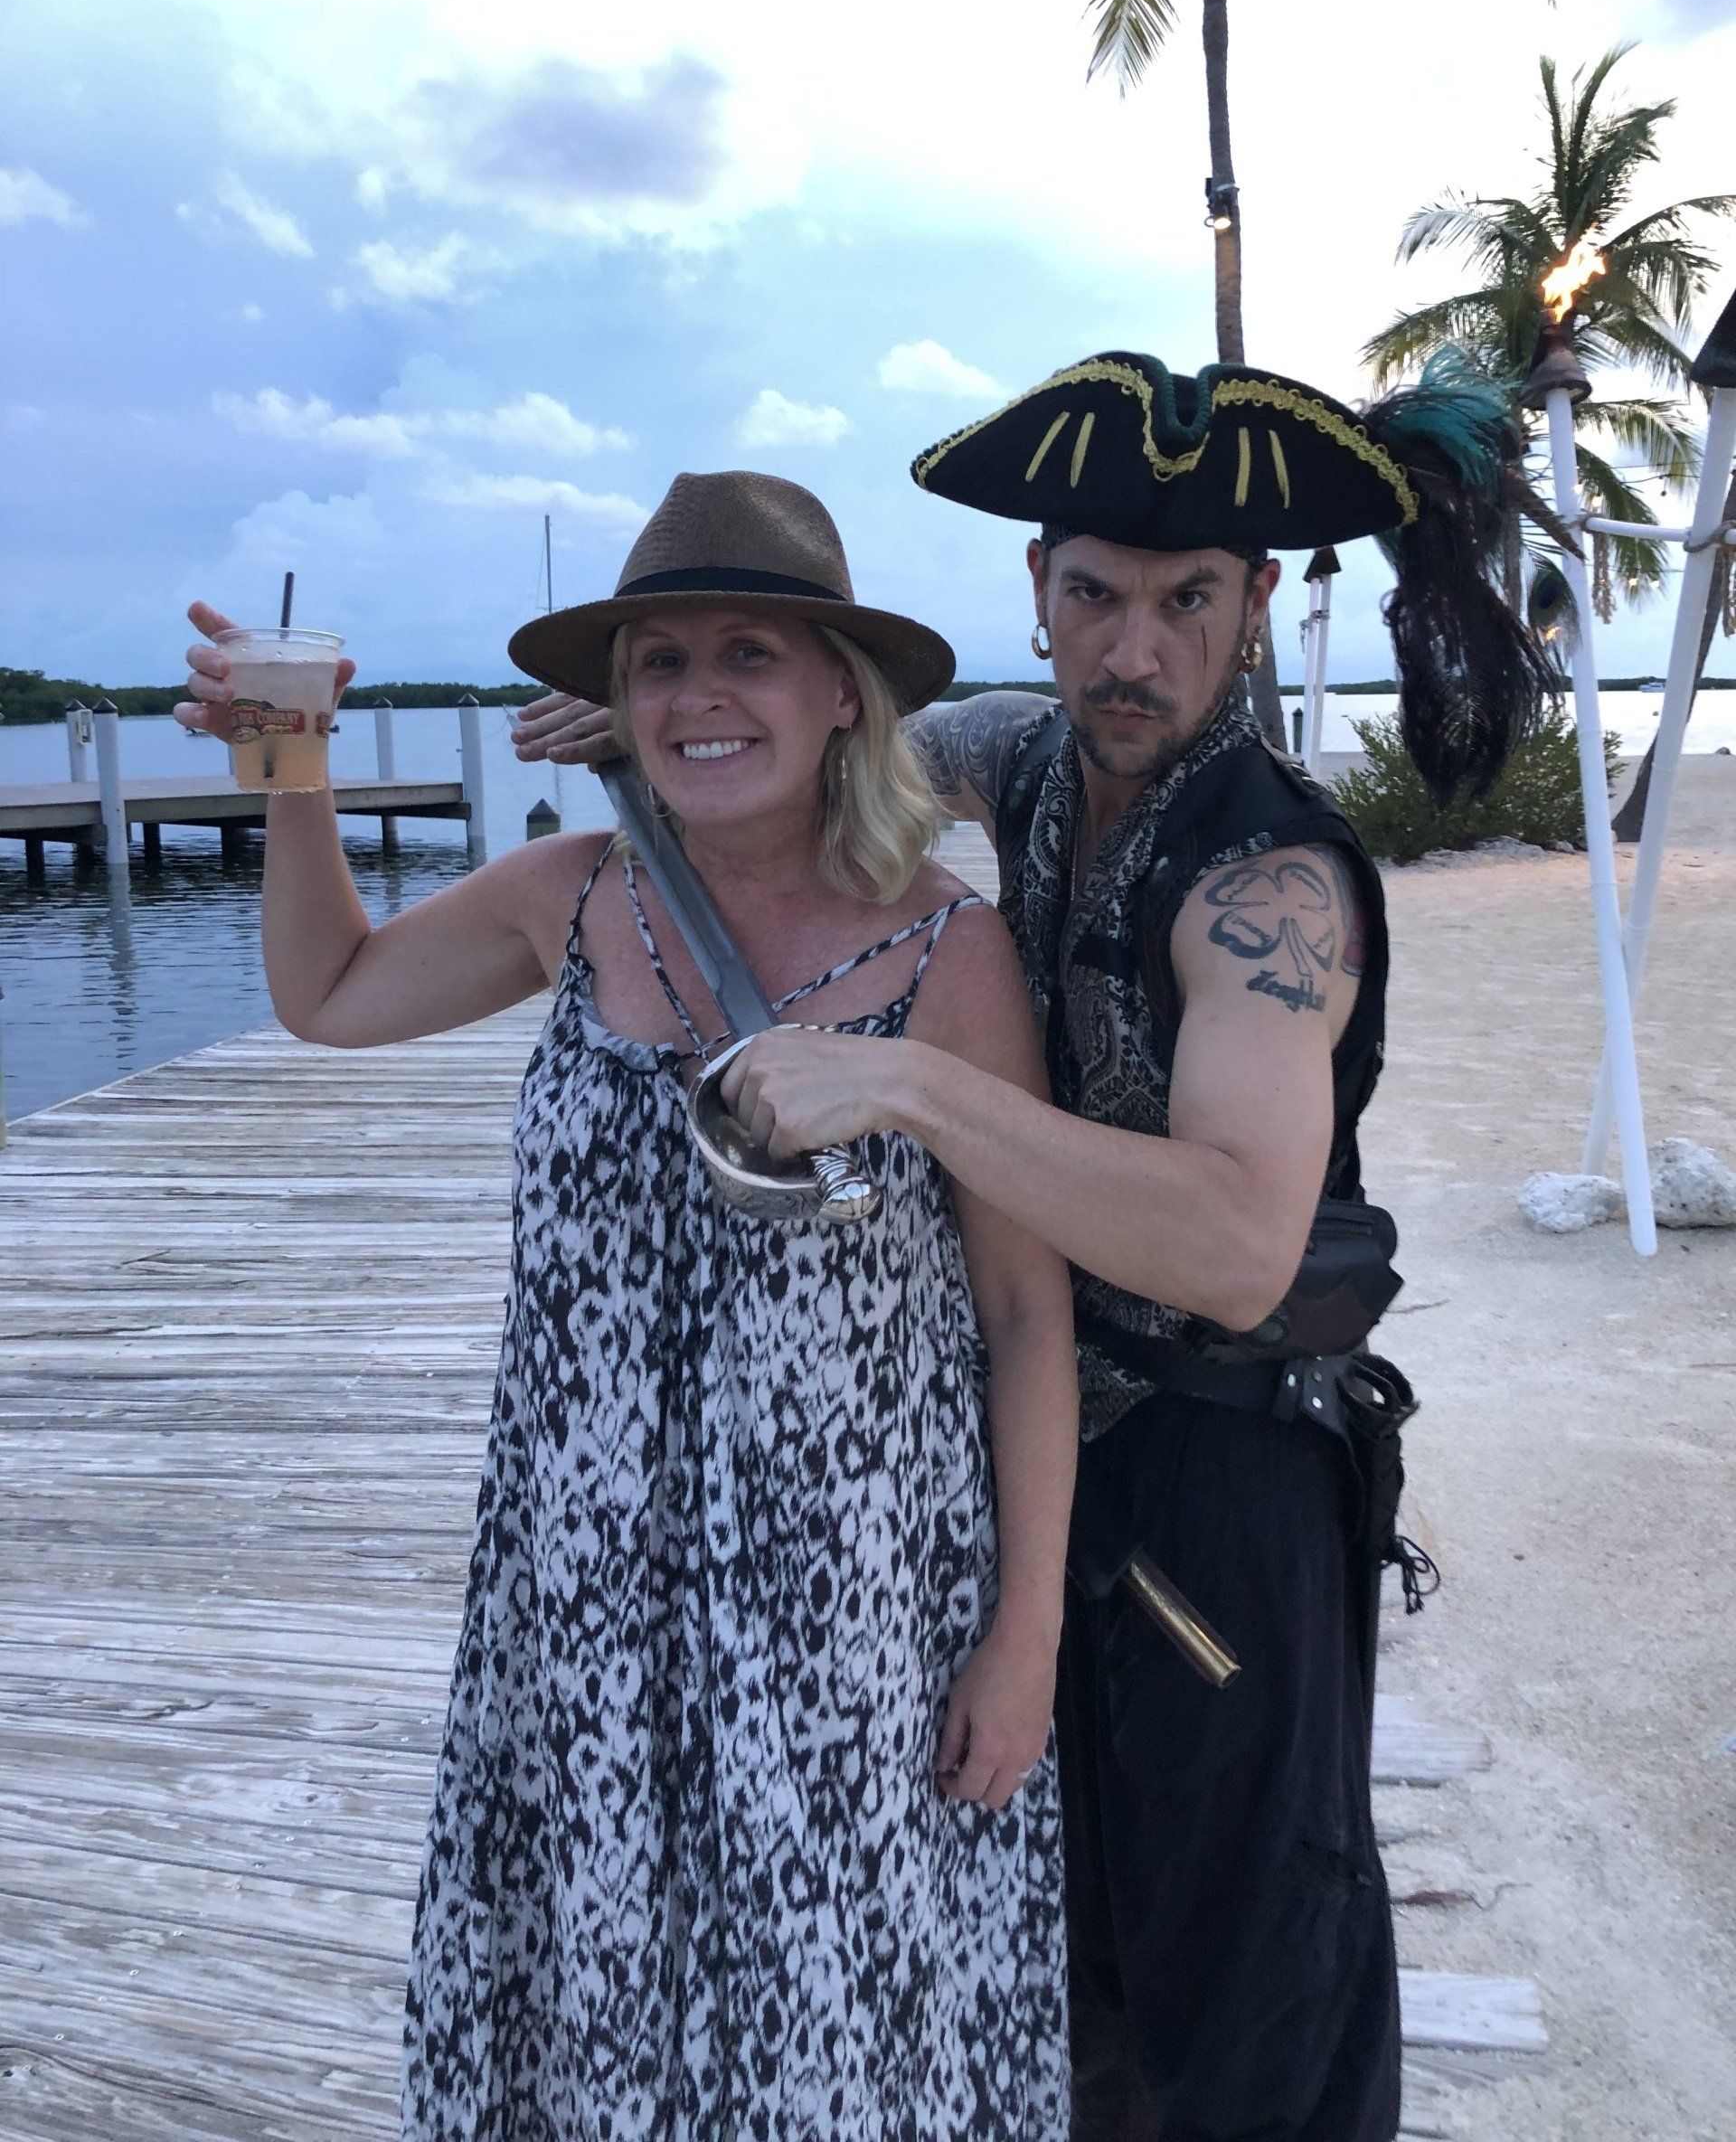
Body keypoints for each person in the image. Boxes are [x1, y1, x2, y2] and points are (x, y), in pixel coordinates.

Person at [514, 350, 1552, 2142]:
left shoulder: (1271, 884)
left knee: (1251, 1984)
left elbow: (1237, 1239)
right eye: (1095, 596)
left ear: (1257, 608)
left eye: (1184, 603)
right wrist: (677, 726)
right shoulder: (1031, 751)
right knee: (1048, 1965)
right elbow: (841, 753)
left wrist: (908, 1078)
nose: (1133, 649)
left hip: (1226, 1471)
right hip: (1034, 1447)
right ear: (1040, 595)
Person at [175, 467, 1077, 2142]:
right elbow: (330, 995)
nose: (699, 695)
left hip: (848, 1601)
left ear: (837, 697)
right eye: (659, 662)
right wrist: (287, 767)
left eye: (749, 652)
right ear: (618, 703)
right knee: (594, 2001)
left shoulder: (947, 956)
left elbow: (1028, 1316)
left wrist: (1021, 1642)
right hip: (582, 1580)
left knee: (832, 2014)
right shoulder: (575, 895)